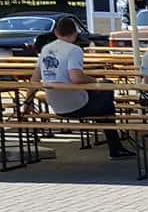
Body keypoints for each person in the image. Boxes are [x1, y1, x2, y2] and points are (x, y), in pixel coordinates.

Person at [32, 15, 126, 160]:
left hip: (55, 104)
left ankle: (115, 144)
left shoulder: (45, 49)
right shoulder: (74, 50)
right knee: (107, 94)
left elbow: (35, 78)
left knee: (103, 97)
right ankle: (115, 145)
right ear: (75, 33)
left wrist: (27, 102)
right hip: (75, 105)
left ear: (56, 33)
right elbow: (76, 77)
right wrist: (95, 81)